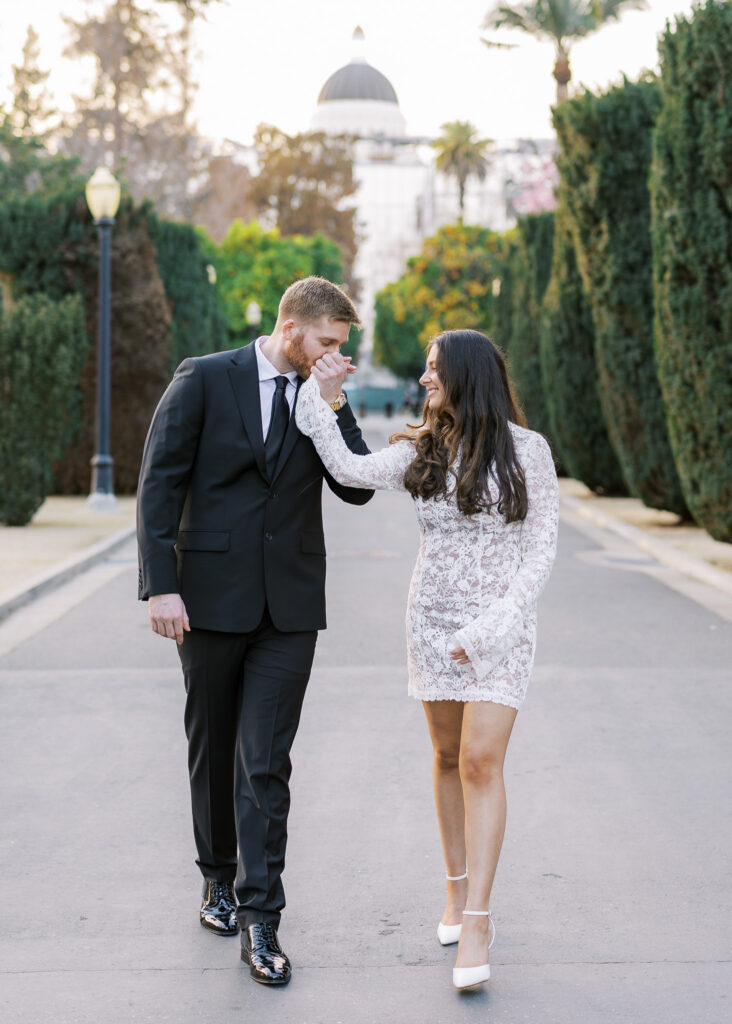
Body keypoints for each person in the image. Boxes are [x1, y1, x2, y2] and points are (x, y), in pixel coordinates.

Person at [295, 329, 559, 991]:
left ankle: (478, 918)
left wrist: (496, 625)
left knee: (480, 759)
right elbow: (350, 469)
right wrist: (323, 398)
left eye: (436, 369)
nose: (424, 378)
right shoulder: (423, 449)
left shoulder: (530, 453)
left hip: (500, 631)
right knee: (446, 756)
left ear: (469, 375)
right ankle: (453, 885)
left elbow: (540, 553)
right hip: (432, 627)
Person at [136, 277, 373, 987]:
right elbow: (160, 482)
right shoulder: (205, 379)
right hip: (206, 599)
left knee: (264, 761)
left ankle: (261, 917)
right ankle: (216, 876)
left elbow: (356, 484)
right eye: (328, 342)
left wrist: (330, 405)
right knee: (213, 744)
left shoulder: (322, 391)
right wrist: (161, 584)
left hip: (290, 608)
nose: (337, 356)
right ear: (293, 327)